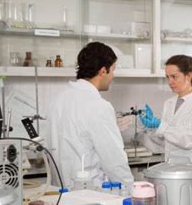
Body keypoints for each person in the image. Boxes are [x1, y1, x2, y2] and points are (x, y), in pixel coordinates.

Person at [140, 55, 192, 205]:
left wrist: (160, 125)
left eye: (174, 76)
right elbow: (164, 142)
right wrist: (151, 128)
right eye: (167, 77)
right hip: (171, 172)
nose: (170, 81)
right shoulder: (169, 103)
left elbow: (187, 140)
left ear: (189, 75)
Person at [49, 42, 134, 188]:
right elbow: (114, 161)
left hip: (60, 193)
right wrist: (131, 191)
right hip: (92, 194)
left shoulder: (58, 99)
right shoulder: (99, 106)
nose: (112, 76)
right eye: (112, 70)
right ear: (103, 71)